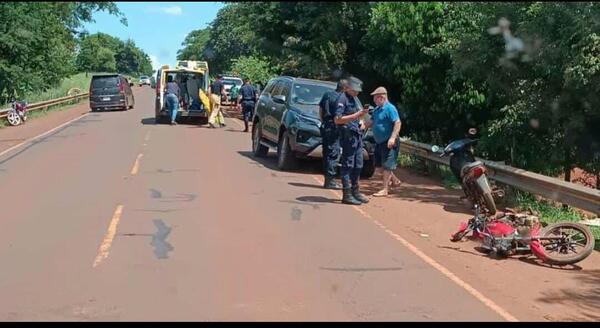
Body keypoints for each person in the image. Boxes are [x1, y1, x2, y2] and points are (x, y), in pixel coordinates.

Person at [334, 76, 370, 205]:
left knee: (358, 164)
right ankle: (347, 194)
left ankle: (355, 191)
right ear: (347, 88)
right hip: (348, 135)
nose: (357, 93)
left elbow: (356, 115)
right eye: (355, 90)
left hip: (357, 135)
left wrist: (360, 120)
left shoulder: (353, 99)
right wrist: (356, 116)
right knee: (348, 165)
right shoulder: (342, 98)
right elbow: (338, 119)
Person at [362, 87, 402, 197]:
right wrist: (363, 125)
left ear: (381, 98)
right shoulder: (377, 109)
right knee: (379, 165)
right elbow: (371, 121)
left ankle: (385, 189)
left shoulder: (390, 109)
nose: (374, 100)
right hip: (379, 142)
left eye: (375, 98)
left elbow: (397, 123)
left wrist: (392, 138)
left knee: (387, 165)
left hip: (389, 141)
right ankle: (394, 179)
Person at [319, 79, 348, 190]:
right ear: (344, 88)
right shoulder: (341, 98)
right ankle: (330, 181)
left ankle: (327, 179)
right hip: (335, 127)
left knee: (326, 152)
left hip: (325, 125)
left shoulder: (327, 94)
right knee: (333, 153)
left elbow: (321, 110)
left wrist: (323, 122)